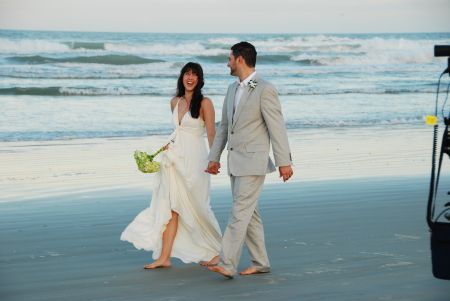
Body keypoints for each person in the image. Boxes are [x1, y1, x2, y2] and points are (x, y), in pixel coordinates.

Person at [205, 42, 293, 278]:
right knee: (249, 214)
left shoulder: (265, 88)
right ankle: (261, 262)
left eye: (230, 58)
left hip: (254, 163)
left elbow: (277, 128)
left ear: (240, 60)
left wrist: (284, 161)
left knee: (238, 213)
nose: (228, 63)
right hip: (235, 162)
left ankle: (227, 263)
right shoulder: (232, 89)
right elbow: (224, 127)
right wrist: (214, 158)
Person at [121, 62, 222, 269]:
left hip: (196, 159)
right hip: (175, 158)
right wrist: (169, 147)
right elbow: (179, 132)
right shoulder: (175, 101)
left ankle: (220, 251)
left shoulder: (205, 102)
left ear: (200, 79)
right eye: (187, 73)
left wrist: (215, 158)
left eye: (195, 74)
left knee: (199, 206)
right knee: (171, 207)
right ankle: (164, 258)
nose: (190, 77)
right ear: (182, 77)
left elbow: (211, 133)